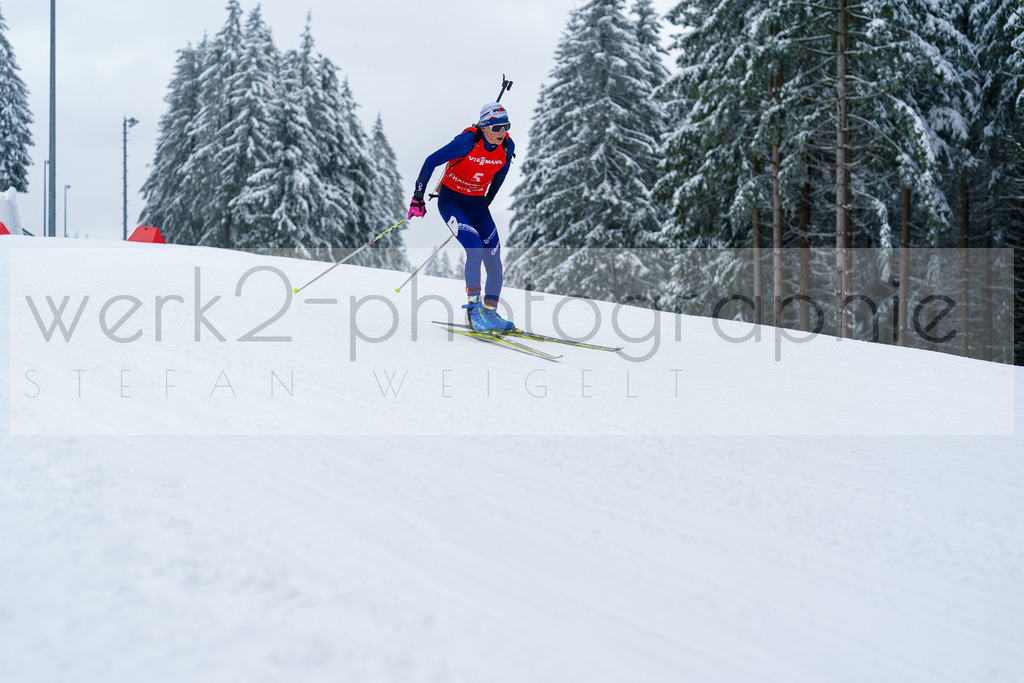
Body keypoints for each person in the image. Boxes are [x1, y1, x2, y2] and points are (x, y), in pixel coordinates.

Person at [407, 102, 516, 332]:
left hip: (478, 204)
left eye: (505, 126)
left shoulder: (507, 146)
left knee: (493, 256)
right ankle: (474, 312)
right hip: (452, 202)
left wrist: (488, 199)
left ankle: (490, 312)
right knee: (475, 249)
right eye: (496, 128)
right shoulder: (467, 142)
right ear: (484, 126)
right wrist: (418, 196)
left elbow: (501, 174)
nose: (502, 132)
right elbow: (431, 161)